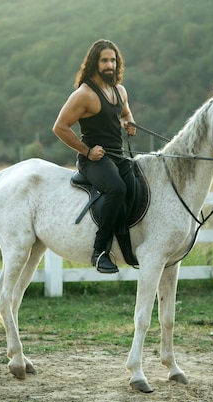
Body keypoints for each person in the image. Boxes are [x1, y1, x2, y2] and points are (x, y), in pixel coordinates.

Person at [53, 39, 136, 274]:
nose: (109, 64)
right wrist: (87, 151)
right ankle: (100, 251)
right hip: (94, 161)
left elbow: (125, 113)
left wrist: (128, 123)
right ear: (94, 63)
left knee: (139, 184)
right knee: (117, 189)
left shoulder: (120, 91)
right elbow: (60, 127)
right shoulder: (85, 94)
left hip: (117, 157)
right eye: (104, 60)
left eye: (113, 60)